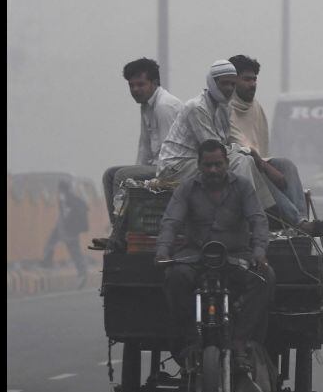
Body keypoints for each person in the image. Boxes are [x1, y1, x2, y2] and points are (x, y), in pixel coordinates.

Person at [156, 139, 275, 370]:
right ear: (199, 165)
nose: (213, 170)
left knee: (265, 277)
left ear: (226, 164)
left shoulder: (243, 187)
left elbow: (259, 221)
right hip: (195, 257)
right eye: (208, 165)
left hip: (235, 256)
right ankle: (191, 341)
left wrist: (260, 253)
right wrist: (162, 251)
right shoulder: (187, 188)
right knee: (175, 277)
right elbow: (170, 222)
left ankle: (240, 340)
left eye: (218, 165)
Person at [228, 54, 323, 236]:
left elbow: (260, 148)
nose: (252, 84)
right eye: (246, 79)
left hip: (257, 162)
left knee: (286, 165)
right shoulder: (225, 107)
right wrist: (266, 168)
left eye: (254, 79)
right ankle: (300, 224)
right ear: (233, 81)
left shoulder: (255, 107)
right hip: (237, 166)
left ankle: (300, 222)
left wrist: (266, 165)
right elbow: (240, 146)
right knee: (257, 170)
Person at [156, 60, 277, 212]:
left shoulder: (223, 107)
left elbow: (224, 143)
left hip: (197, 161)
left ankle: (261, 211)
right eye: (224, 84)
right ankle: (250, 212)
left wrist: (249, 153)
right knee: (241, 160)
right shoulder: (197, 107)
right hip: (176, 166)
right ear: (212, 83)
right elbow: (213, 149)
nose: (229, 89)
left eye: (232, 84)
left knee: (246, 160)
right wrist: (248, 150)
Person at [102, 57, 183, 221]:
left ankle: (120, 232)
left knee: (121, 176)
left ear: (154, 83)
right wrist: (137, 174)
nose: (135, 90)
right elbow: (144, 147)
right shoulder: (146, 106)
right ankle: (117, 226)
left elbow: (169, 156)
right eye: (131, 85)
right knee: (110, 175)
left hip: (174, 170)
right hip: (157, 167)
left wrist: (136, 178)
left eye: (140, 84)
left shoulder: (164, 106)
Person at [42, 179, 90, 289]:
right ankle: (82, 272)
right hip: (72, 230)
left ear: (61, 189)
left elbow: (65, 213)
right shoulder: (74, 198)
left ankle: (47, 263)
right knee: (75, 253)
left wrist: (63, 225)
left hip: (65, 229)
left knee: (50, 243)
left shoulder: (64, 198)